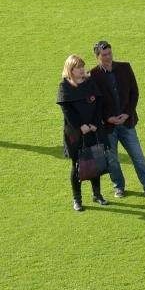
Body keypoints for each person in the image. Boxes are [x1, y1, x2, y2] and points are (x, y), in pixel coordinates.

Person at [88, 41, 145, 198]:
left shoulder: (125, 67)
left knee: (138, 157)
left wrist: (127, 114)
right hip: (108, 127)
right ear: (97, 57)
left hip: (127, 123)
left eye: (110, 53)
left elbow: (134, 93)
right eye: (104, 55)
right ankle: (119, 186)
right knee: (113, 160)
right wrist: (107, 118)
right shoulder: (92, 75)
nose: (108, 57)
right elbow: (94, 103)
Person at [58, 55, 109, 211]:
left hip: (93, 129)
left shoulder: (89, 83)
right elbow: (67, 110)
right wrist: (81, 126)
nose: (81, 69)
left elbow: (99, 104)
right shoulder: (64, 86)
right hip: (76, 133)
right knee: (77, 165)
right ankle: (77, 199)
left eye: (82, 66)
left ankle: (97, 195)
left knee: (96, 161)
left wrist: (93, 123)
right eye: (78, 67)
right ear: (70, 69)